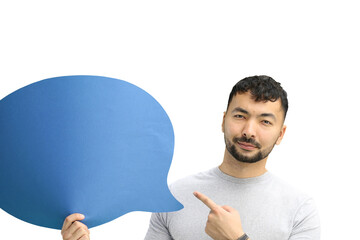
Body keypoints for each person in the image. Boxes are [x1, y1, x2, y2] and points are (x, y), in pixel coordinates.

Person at [61, 76, 320, 240]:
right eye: (240, 116)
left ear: (281, 133)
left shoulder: (299, 208)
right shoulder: (176, 196)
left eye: (265, 121)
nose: (248, 131)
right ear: (223, 120)